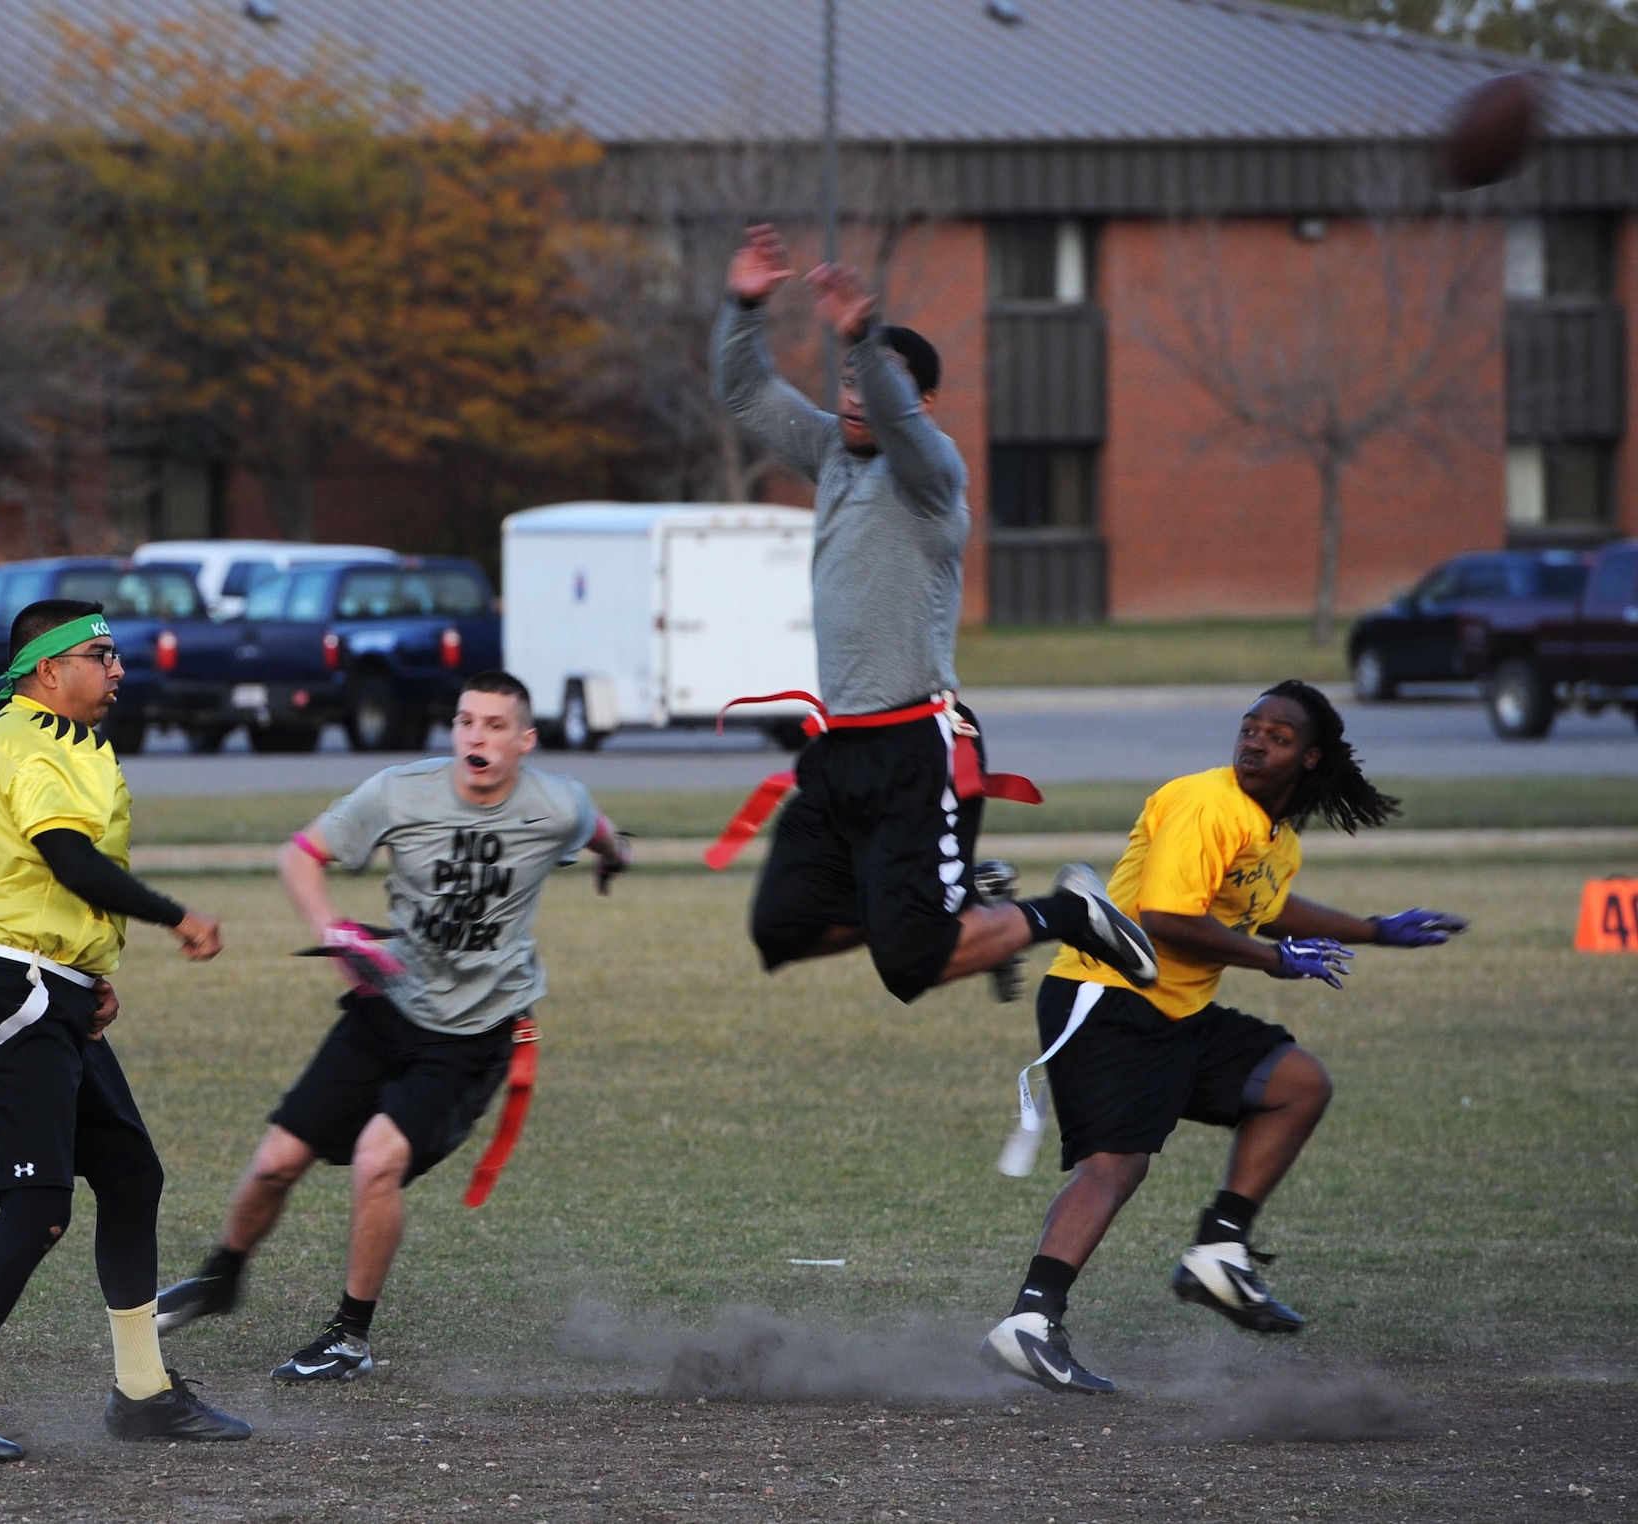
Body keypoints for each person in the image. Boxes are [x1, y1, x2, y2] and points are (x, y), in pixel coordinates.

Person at [711, 223, 1158, 1005]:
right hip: (841, 749)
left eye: (874, 383)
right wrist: (743, 307)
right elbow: (746, 391)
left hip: (916, 746)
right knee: (781, 925)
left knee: (909, 962)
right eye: (848, 380)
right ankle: (950, 906)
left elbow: (907, 432)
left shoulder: (932, 477)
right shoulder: (831, 455)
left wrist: (867, 338)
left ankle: (1066, 912)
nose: (855, 396)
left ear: (922, 404)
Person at [982, 681, 1467, 1394]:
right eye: (1249, 727)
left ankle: (1219, 1249)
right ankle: (1029, 1323)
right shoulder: (1206, 802)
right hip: (1108, 996)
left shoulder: (1276, 837)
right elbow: (1167, 916)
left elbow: (1265, 908)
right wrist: (1277, 962)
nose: (1255, 741)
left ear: (1311, 757)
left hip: (1176, 1012)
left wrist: (1373, 928)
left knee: (1296, 1082)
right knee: (1115, 1167)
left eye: (1277, 735)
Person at [154, 669, 632, 1383]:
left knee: (379, 1161)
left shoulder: (555, 805)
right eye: (467, 721)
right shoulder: (400, 791)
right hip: (388, 1003)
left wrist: (614, 861)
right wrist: (334, 932)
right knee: (276, 1162)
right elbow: (299, 855)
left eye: (496, 725)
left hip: (474, 1035)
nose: (477, 736)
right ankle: (222, 1276)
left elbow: (601, 833)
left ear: (525, 741)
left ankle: (350, 1337)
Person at [0, 599, 250, 1462]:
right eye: (101, 654)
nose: (118, 669)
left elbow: (63, 889)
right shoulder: (19, 743)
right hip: (4, 992)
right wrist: (174, 916)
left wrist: (91, 972)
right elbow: (70, 862)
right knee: (39, 1205)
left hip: (52, 989)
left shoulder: (78, 746)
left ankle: (144, 1394)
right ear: (48, 671)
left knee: (131, 1175)